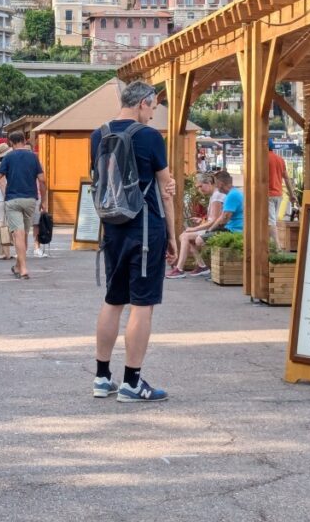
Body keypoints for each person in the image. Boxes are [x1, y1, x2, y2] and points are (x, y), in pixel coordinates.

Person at [91, 80, 177, 404]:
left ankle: (101, 377)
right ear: (143, 102)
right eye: (153, 108)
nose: (153, 116)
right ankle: (131, 382)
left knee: (113, 300)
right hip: (144, 229)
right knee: (142, 305)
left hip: (112, 227)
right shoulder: (150, 138)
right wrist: (171, 235)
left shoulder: (98, 134)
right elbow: (166, 190)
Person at [0, 131, 46, 279]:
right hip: (30, 200)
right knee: (24, 234)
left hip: (13, 199)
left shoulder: (8, 157)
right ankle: (18, 266)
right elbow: (42, 180)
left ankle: (24, 268)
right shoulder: (33, 157)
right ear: (24, 140)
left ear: (11, 143)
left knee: (18, 235)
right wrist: (43, 200)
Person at [168, 174, 223, 279]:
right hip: (215, 228)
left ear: (209, 183)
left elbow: (214, 220)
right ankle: (201, 266)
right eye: (197, 187)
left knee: (184, 236)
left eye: (201, 186)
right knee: (185, 237)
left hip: (219, 230)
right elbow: (213, 218)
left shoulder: (217, 196)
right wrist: (202, 221)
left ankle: (179, 269)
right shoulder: (214, 196)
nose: (199, 190)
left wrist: (194, 228)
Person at [268, 140, 296, 248]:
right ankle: (268, 246)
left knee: (271, 222)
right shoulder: (280, 159)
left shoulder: (261, 159)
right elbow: (287, 179)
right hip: (278, 194)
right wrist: (292, 194)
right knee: (271, 221)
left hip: (267, 195)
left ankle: (277, 247)